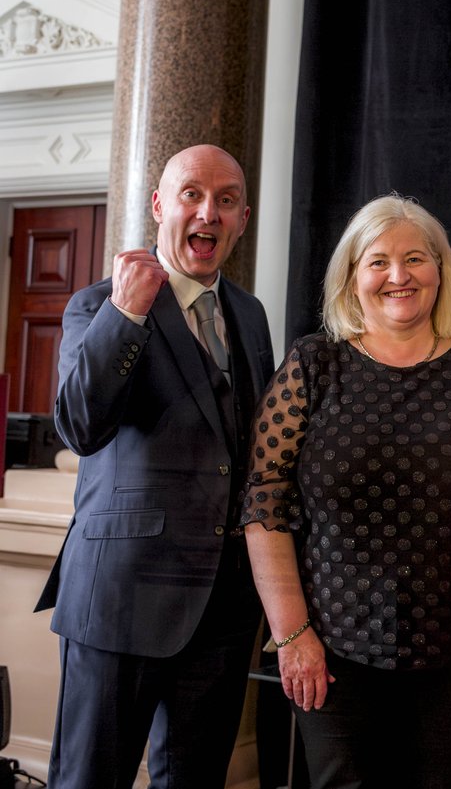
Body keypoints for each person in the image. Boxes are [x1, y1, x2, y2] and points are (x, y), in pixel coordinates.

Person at [240, 194, 451, 788]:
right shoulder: (314, 366)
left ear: (441, 271)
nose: (399, 276)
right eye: (379, 261)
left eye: (416, 258)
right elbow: (265, 502)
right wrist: (291, 635)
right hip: (332, 652)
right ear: (352, 276)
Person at [37, 144, 275, 788]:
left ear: (243, 217)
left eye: (226, 200)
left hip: (223, 605)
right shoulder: (97, 305)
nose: (208, 212)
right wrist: (128, 314)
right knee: (91, 777)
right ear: (159, 205)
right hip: (121, 594)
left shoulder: (250, 316)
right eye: (192, 195)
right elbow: (80, 427)